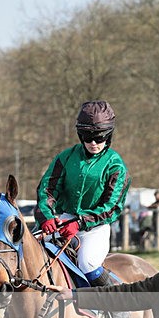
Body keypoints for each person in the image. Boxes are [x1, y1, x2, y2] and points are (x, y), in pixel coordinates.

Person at [35, 100, 130, 289]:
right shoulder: (66, 157)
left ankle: (117, 307)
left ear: (108, 135)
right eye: (88, 137)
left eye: (100, 137)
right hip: (62, 220)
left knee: (87, 263)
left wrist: (80, 222)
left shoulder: (116, 166)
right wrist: (46, 216)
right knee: (28, 251)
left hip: (95, 227)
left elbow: (111, 208)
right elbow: (47, 189)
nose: (93, 143)